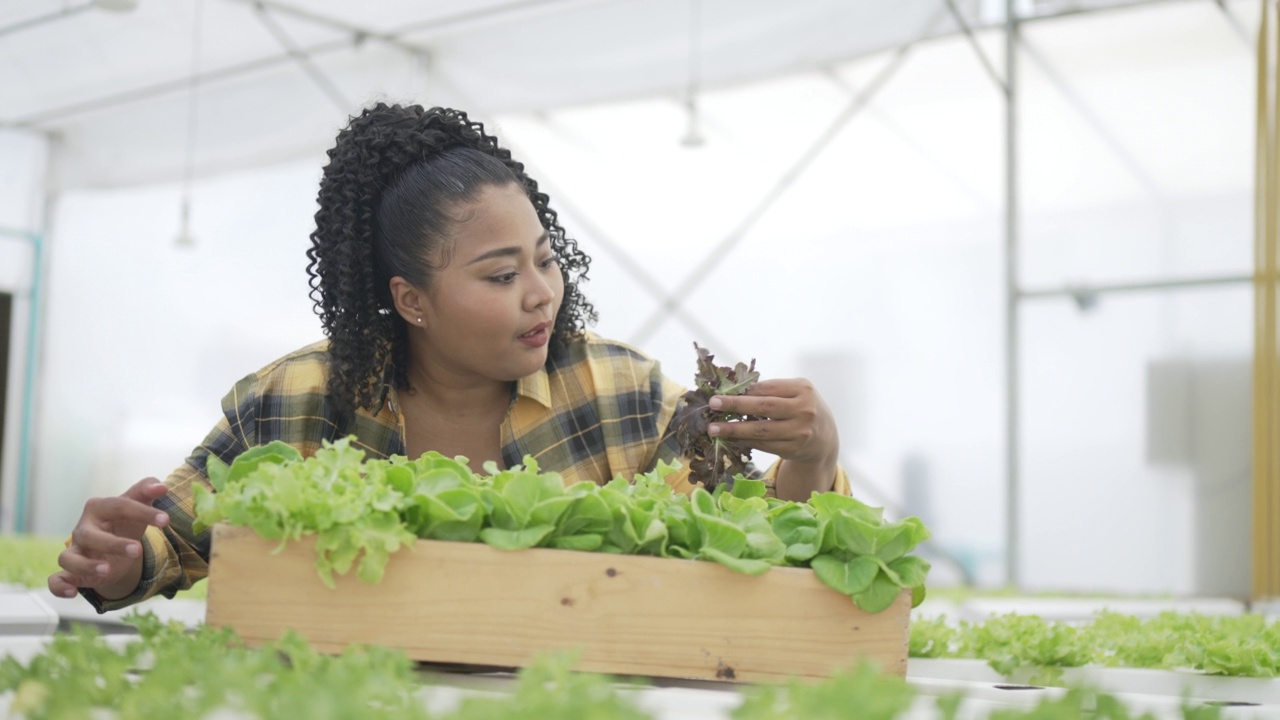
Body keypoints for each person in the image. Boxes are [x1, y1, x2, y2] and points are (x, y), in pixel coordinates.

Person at [48, 104, 847, 612]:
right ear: (411, 300)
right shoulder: (297, 399)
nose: (542, 294)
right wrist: (118, 563)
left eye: (545, 259)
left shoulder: (620, 391)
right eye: (501, 275)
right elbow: (174, 542)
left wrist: (816, 455)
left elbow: (752, 544)